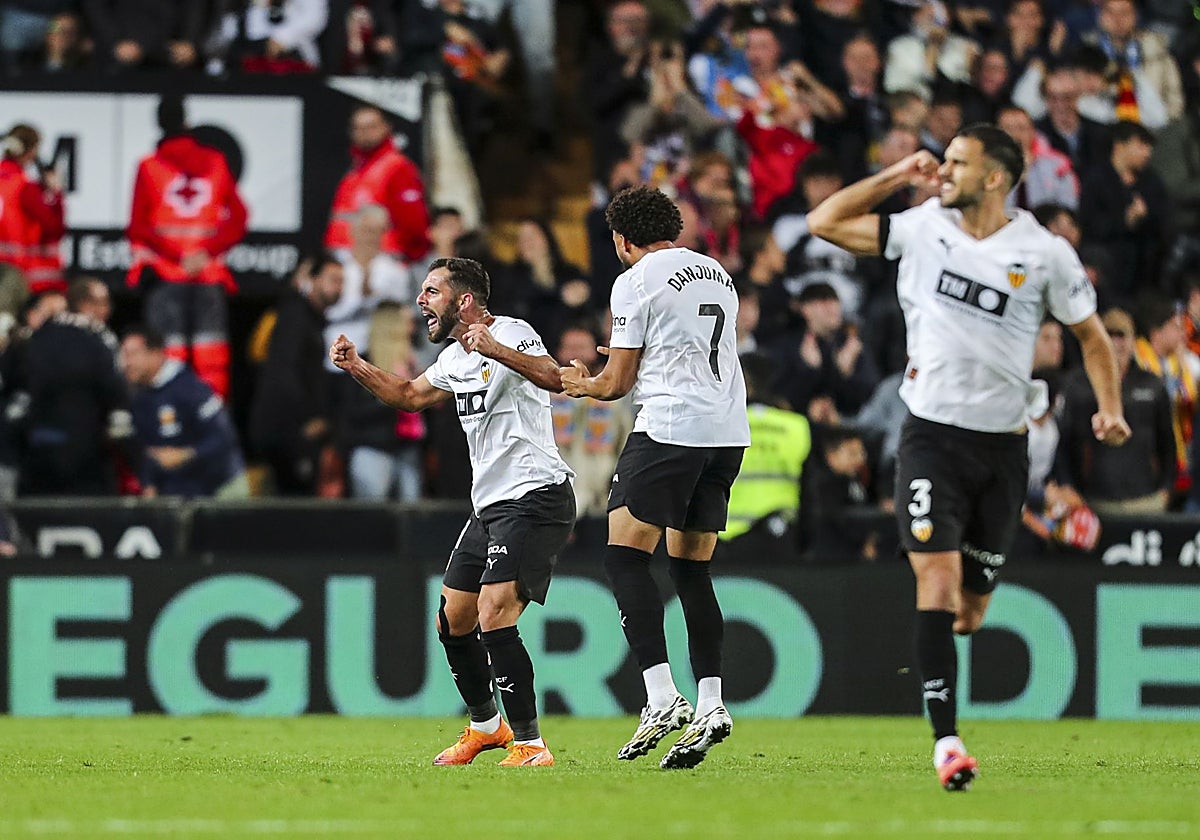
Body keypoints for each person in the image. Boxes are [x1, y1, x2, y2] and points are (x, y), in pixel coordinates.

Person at [806, 124, 1129, 791]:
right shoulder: (923, 226)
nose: (944, 170)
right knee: (937, 581)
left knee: (969, 613)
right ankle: (948, 743)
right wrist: (898, 175)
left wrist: (1111, 407)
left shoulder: (1044, 252)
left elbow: (1093, 338)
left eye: (958, 162)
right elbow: (824, 222)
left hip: (1003, 448)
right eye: (944, 159)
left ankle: (948, 687)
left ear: (994, 178)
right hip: (930, 437)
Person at [330, 257, 575, 768]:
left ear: (464, 301)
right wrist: (357, 366)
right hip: (490, 504)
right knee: (453, 620)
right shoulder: (454, 358)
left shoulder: (512, 332)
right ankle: (486, 727)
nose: (421, 300)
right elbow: (408, 395)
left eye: (431, 291)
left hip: (535, 494)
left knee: (494, 613)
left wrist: (496, 349)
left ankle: (531, 745)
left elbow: (555, 378)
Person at [559, 185, 750, 770]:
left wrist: (583, 382)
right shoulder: (716, 272)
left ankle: (662, 695)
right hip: (726, 432)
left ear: (622, 240)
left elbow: (616, 384)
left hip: (670, 430)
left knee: (624, 559)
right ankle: (712, 702)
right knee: (691, 570)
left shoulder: (634, 280)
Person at [126, 94, 248, 398]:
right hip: (207, 273)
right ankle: (211, 413)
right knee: (211, 357)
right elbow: (239, 217)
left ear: (158, 123)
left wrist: (178, 255)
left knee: (168, 355)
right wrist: (205, 252)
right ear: (186, 122)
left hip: (166, 274)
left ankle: (170, 414)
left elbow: (138, 226)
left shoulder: (149, 166)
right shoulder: (216, 162)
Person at [249, 253, 343, 496]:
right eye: (333, 279)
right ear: (312, 279)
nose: (339, 288)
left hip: (295, 431)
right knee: (291, 502)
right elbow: (284, 374)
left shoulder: (313, 321)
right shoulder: (295, 316)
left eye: (342, 282)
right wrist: (306, 420)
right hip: (288, 431)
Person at [121, 325, 250, 500]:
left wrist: (185, 455)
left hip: (219, 488)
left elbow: (223, 438)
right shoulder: (138, 399)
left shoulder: (191, 389)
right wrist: (149, 483)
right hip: (176, 495)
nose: (127, 363)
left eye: (133, 354)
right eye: (124, 355)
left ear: (156, 353)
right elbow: (147, 451)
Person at [324, 105, 430, 265]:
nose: (364, 133)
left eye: (371, 127)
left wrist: (407, 260)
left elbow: (413, 223)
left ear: (386, 127)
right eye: (358, 128)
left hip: (383, 259)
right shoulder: (356, 169)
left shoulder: (397, 167)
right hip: (346, 258)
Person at [0, 123, 65, 294]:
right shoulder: (24, 188)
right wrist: (56, 195)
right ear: (31, 152)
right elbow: (53, 229)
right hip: (15, 276)